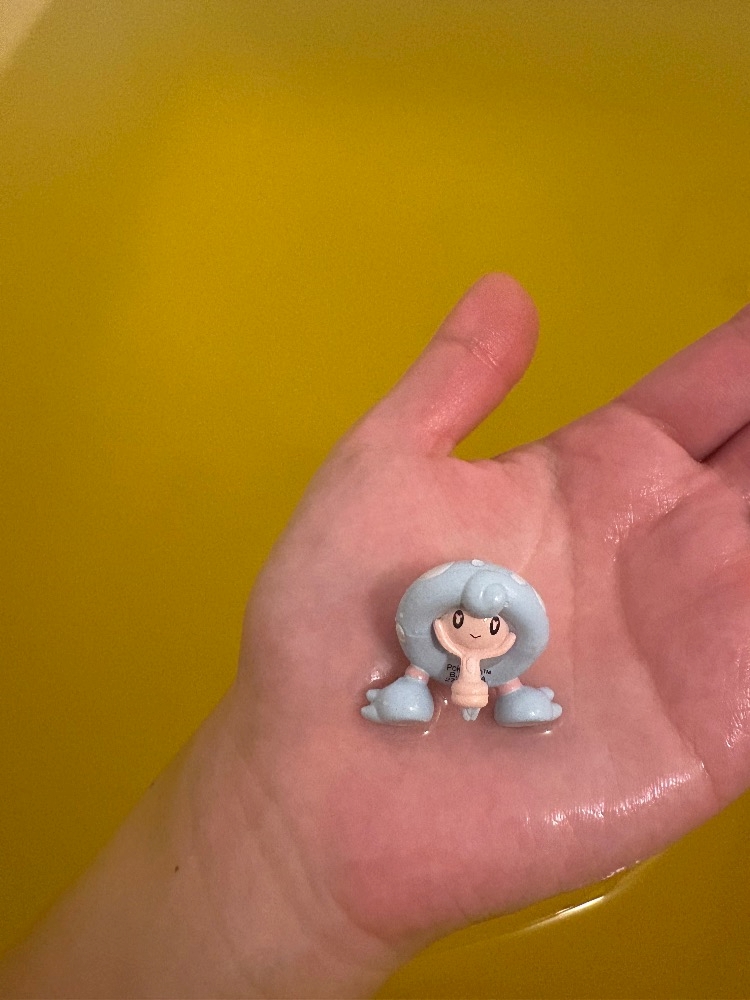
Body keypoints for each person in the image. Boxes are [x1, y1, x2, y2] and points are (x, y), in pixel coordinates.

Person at [1, 274, 749, 999]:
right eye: (466, 624)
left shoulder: (496, 657)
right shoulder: (429, 644)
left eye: (489, 628)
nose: (476, 634)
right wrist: (273, 849)